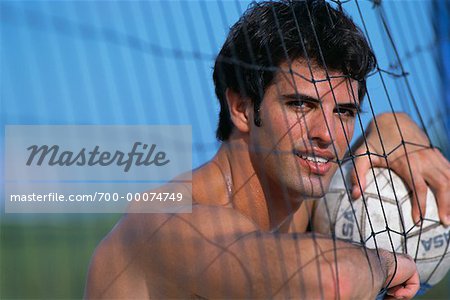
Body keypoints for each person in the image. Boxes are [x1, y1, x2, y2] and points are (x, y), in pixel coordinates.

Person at [85, 1, 450, 299]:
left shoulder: (301, 199)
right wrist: (387, 264)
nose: (327, 134)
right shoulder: (168, 222)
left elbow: (382, 134)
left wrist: (394, 126)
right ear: (243, 108)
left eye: (344, 111)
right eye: (300, 105)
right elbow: (331, 280)